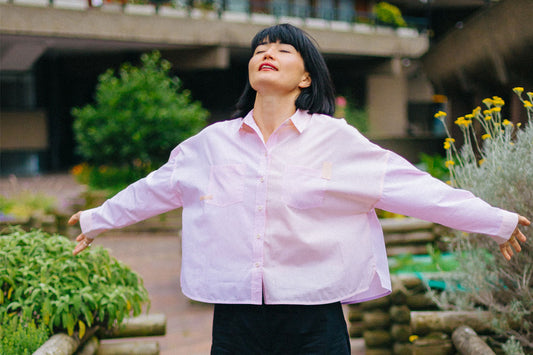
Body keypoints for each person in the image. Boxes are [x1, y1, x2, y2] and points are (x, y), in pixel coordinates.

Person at [69, 24, 529, 354]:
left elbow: (415, 188)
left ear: (306, 77)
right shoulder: (211, 144)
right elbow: (156, 188)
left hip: (315, 318)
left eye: (283, 50)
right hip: (237, 318)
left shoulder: (337, 140)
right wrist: (96, 219)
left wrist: (496, 221)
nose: (267, 53)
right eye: (260, 49)